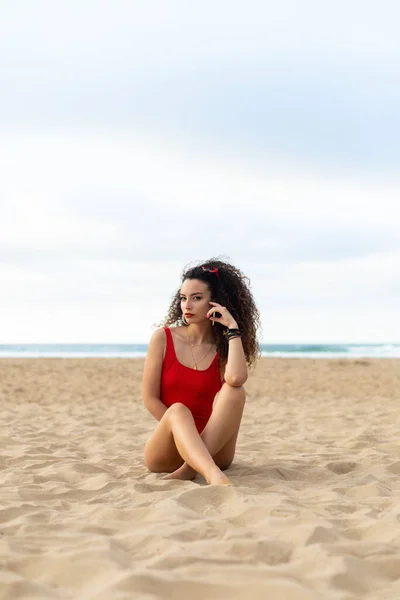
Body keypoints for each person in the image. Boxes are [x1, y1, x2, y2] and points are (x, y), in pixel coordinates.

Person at [142, 258, 261, 485]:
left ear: (215, 302)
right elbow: (150, 399)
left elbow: (236, 378)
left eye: (197, 298)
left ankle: (192, 468)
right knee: (178, 410)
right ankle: (211, 473)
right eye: (183, 298)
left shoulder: (224, 348)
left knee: (235, 391)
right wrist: (186, 439)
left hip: (213, 448)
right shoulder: (163, 338)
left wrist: (233, 330)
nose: (187, 306)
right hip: (169, 448)